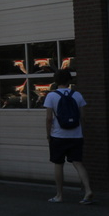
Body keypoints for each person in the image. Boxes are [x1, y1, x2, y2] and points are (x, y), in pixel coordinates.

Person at [41, 68, 93, 204]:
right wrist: (82, 133)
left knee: (58, 164)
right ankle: (88, 190)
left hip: (58, 136)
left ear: (55, 81)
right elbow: (83, 117)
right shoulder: (77, 95)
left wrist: (48, 135)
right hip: (76, 136)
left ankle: (59, 195)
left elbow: (49, 119)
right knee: (78, 163)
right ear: (69, 80)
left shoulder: (51, 96)